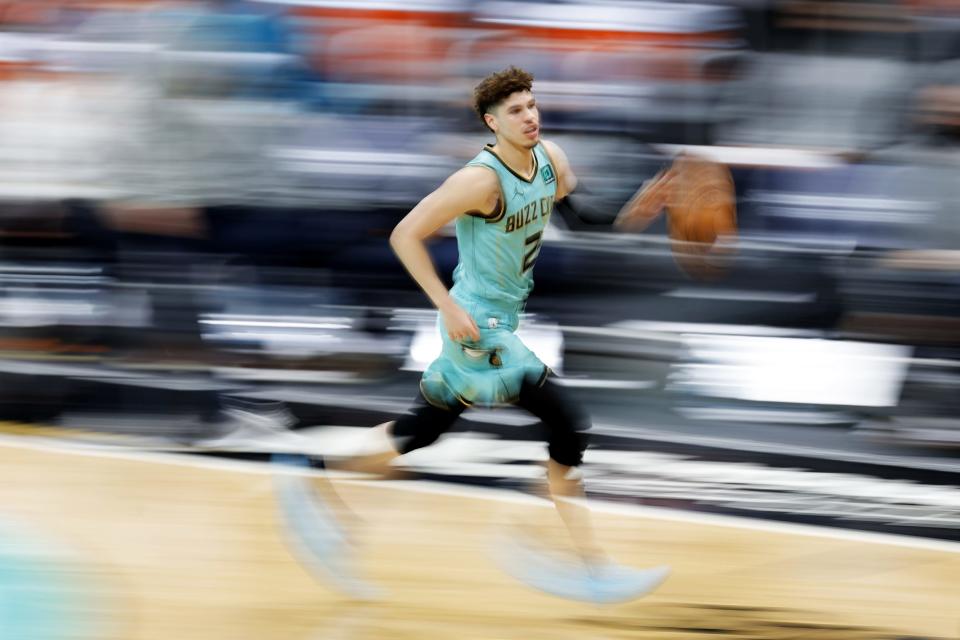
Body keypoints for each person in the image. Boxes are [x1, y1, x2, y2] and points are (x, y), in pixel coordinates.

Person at [295, 66, 674, 601]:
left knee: (419, 432)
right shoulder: (480, 179)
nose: (530, 116)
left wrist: (640, 208)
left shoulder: (551, 160)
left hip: (503, 319)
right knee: (568, 423)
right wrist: (446, 306)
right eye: (516, 110)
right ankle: (586, 564)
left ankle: (319, 478)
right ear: (492, 122)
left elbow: (587, 220)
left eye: (532, 105)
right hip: (477, 327)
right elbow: (405, 234)